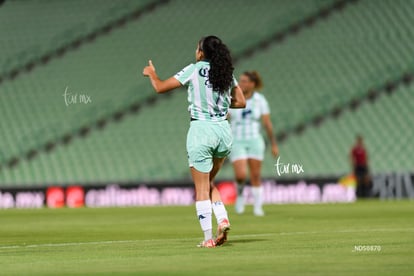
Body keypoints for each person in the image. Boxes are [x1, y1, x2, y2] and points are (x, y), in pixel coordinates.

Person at [142, 36, 246, 248]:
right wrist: (220, 106)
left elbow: (160, 87)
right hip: (223, 132)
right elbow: (242, 102)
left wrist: (152, 74)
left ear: (201, 53)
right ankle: (223, 218)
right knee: (208, 184)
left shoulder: (195, 69)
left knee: (200, 189)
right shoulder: (226, 73)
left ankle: (208, 239)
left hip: (201, 130)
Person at [228, 71, 278, 216]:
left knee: (255, 175)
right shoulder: (233, 98)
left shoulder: (260, 100)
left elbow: (267, 123)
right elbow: (226, 115)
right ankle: (240, 196)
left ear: (252, 84)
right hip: (237, 140)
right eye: (240, 81)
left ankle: (258, 206)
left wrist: (273, 144)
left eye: (244, 81)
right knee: (241, 175)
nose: (241, 83)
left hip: (255, 140)